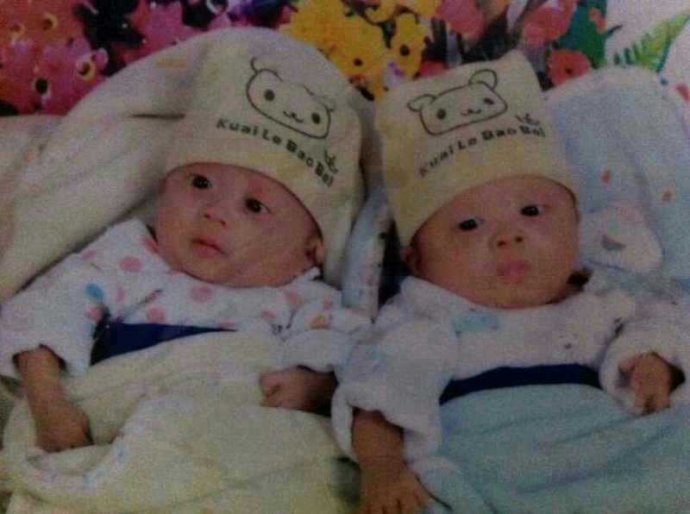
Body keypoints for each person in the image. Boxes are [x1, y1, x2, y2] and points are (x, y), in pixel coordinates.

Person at [331, 51, 690, 514]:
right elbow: (379, 400)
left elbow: (666, 325)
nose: (509, 236)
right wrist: (383, 472)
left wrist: (653, 362)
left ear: (575, 222)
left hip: (620, 454)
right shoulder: (431, 321)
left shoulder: (608, 296)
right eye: (469, 225)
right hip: (490, 467)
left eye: (532, 211)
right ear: (416, 261)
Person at [0, 29, 370, 453]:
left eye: (254, 206)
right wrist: (49, 404)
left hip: (236, 448)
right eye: (200, 183)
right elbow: (46, 314)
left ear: (311, 251)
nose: (215, 212)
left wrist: (316, 386)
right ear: (165, 189)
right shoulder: (128, 257)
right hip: (113, 437)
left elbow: (360, 365)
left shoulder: (310, 304)